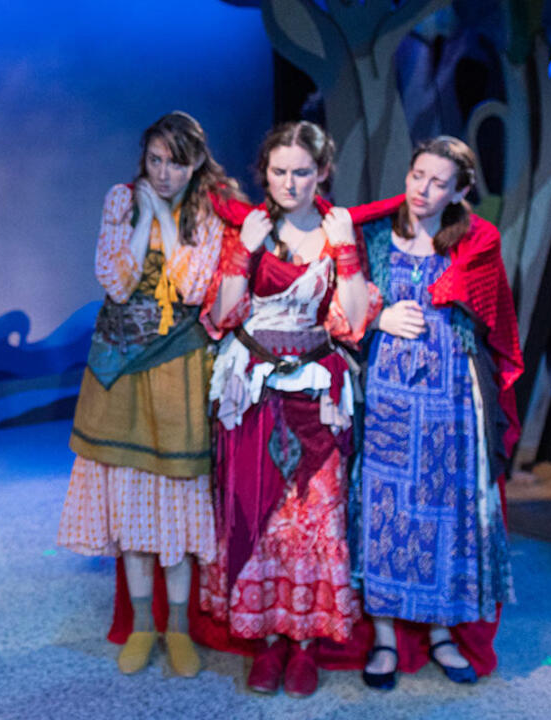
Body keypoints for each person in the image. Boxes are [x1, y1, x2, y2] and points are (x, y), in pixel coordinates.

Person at [58, 111, 244, 677]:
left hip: (175, 369)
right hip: (119, 369)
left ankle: (179, 630)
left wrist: (166, 213)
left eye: (176, 163)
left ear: (196, 164)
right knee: (132, 508)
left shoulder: (207, 211)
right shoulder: (121, 200)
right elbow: (114, 280)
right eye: (155, 160)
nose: (162, 173)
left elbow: (190, 288)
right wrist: (147, 220)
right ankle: (142, 627)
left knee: (177, 510)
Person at [198, 121, 377, 698]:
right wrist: (245, 251)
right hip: (253, 390)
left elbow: (353, 320)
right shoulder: (248, 229)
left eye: (302, 171)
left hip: (314, 394)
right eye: (279, 171)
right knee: (260, 514)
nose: (290, 182)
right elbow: (224, 314)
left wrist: (347, 249)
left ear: (322, 171)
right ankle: (268, 642)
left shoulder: (335, 231)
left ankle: (303, 645)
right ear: (264, 173)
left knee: (313, 519)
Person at [347, 136, 521, 689]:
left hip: (450, 399)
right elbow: (337, 297)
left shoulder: (477, 239)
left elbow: (489, 314)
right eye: (417, 174)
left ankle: (443, 632)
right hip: (390, 398)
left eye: (438, 182)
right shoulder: (374, 232)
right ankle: (382, 637)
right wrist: (377, 316)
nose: (422, 189)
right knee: (384, 509)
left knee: (446, 508)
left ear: (461, 191)